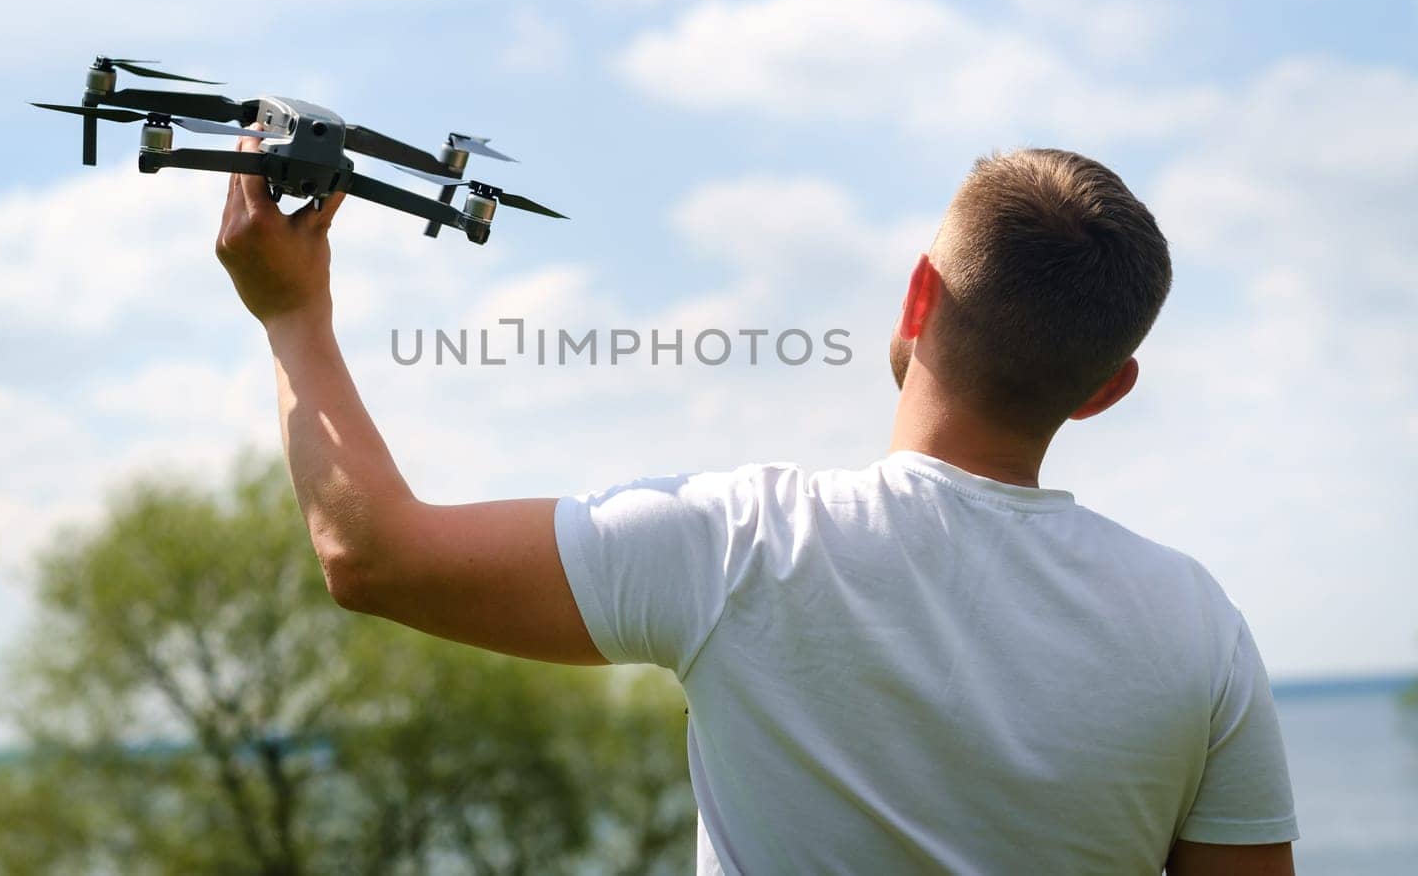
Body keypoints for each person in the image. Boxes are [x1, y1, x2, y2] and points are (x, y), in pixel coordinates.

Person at [216, 142, 1297, 875]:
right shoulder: (1201, 627)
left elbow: (371, 554)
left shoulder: (743, 543)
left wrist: (292, 316)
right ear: (1108, 386)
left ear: (919, 296)